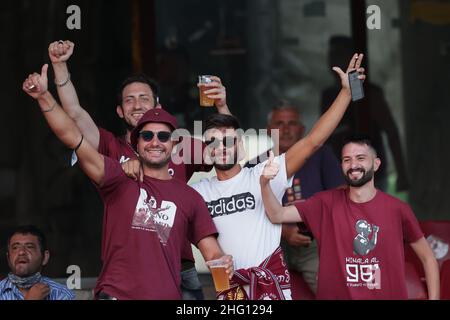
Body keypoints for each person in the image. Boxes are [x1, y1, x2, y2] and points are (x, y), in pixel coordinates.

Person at [22, 67, 233, 300]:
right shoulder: (117, 177)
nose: (155, 142)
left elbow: (227, 154)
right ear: (136, 143)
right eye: (147, 136)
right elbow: (73, 131)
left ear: (175, 144)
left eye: (163, 137)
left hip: (176, 272)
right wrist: (44, 95)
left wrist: (221, 106)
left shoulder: (190, 196)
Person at [190, 54, 366, 300]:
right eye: (213, 142)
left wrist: (347, 93)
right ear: (206, 149)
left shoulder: (263, 174)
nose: (220, 147)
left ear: (238, 144)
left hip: (271, 289)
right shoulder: (199, 192)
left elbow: (313, 141)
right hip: (231, 292)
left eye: (228, 141)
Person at [260, 135, 440, 299]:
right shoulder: (325, 203)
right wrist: (265, 183)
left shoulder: (398, 209)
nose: (353, 164)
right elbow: (277, 214)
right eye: (347, 160)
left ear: (376, 164)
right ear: (342, 166)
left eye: (360, 158)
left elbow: (428, 258)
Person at [265, 103, 345, 294]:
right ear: (269, 130)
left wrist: (318, 226)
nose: (285, 129)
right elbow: (248, 211)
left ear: (301, 129)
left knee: (331, 292)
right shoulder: (257, 163)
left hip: (315, 243)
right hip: (272, 245)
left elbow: (341, 195)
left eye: (291, 123)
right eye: (279, 123)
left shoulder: (321, 155)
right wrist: (284, 232)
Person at [320, 35, 409, 192]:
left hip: (371, 175)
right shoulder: (328, 95)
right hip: (337, 175)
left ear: (352, 60)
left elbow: (391, 132)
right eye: (331, 55)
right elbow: (323, 138)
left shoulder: (368, 93)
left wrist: (402, 173)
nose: (333, 59)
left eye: (339, 54)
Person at [0, 225, 75, 300]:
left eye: (29, 247)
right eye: (15, 248)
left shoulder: (61, 294)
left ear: (45, 257)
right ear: (8, 258)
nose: (21, 252)